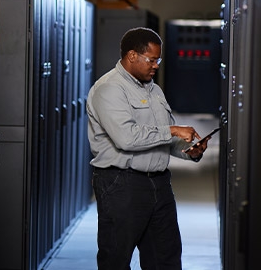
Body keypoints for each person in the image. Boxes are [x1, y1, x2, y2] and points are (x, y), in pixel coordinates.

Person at [86, 27, 211, 269]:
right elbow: (127, 138)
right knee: (116, 258)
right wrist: (174, 131)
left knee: (166, 258)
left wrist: (188, 151)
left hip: (159, 185)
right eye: (151, 59)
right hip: (122, 184)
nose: (156, 65)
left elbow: (161, 136)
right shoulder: (109, 89)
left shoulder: (154, 89)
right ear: (132, 56)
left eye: (158, 60)